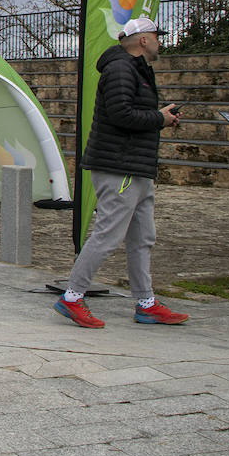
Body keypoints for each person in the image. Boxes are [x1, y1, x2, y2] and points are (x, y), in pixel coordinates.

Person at [54, 17, 189, 328]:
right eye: (156, 35)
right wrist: (159, 118)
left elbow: (130, 111)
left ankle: (146, 302)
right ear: (142, 40)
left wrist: (159, 117)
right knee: (109, 233)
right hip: (120, 166)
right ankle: (72, 297)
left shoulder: (137, 70)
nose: (160, 41)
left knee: (143, 237)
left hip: (136, 167)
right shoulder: (120, 69)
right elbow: (120, 113)